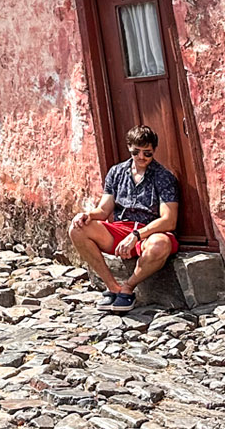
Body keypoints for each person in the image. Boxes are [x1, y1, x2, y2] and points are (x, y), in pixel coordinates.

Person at [68, 125, 180, 313]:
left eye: (147, 153)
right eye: (136, 152)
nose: (141, 157)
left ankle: (128, 288)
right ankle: (113, 287)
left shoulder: (163, 177)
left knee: (160, 244)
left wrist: (137, 235)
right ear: (129, 148)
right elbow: (104, 210)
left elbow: (169, 220)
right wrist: (87, 215)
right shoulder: (116, 172)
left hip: (149, 231)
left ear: (154, 151)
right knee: (77, 229)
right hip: (120, 229)